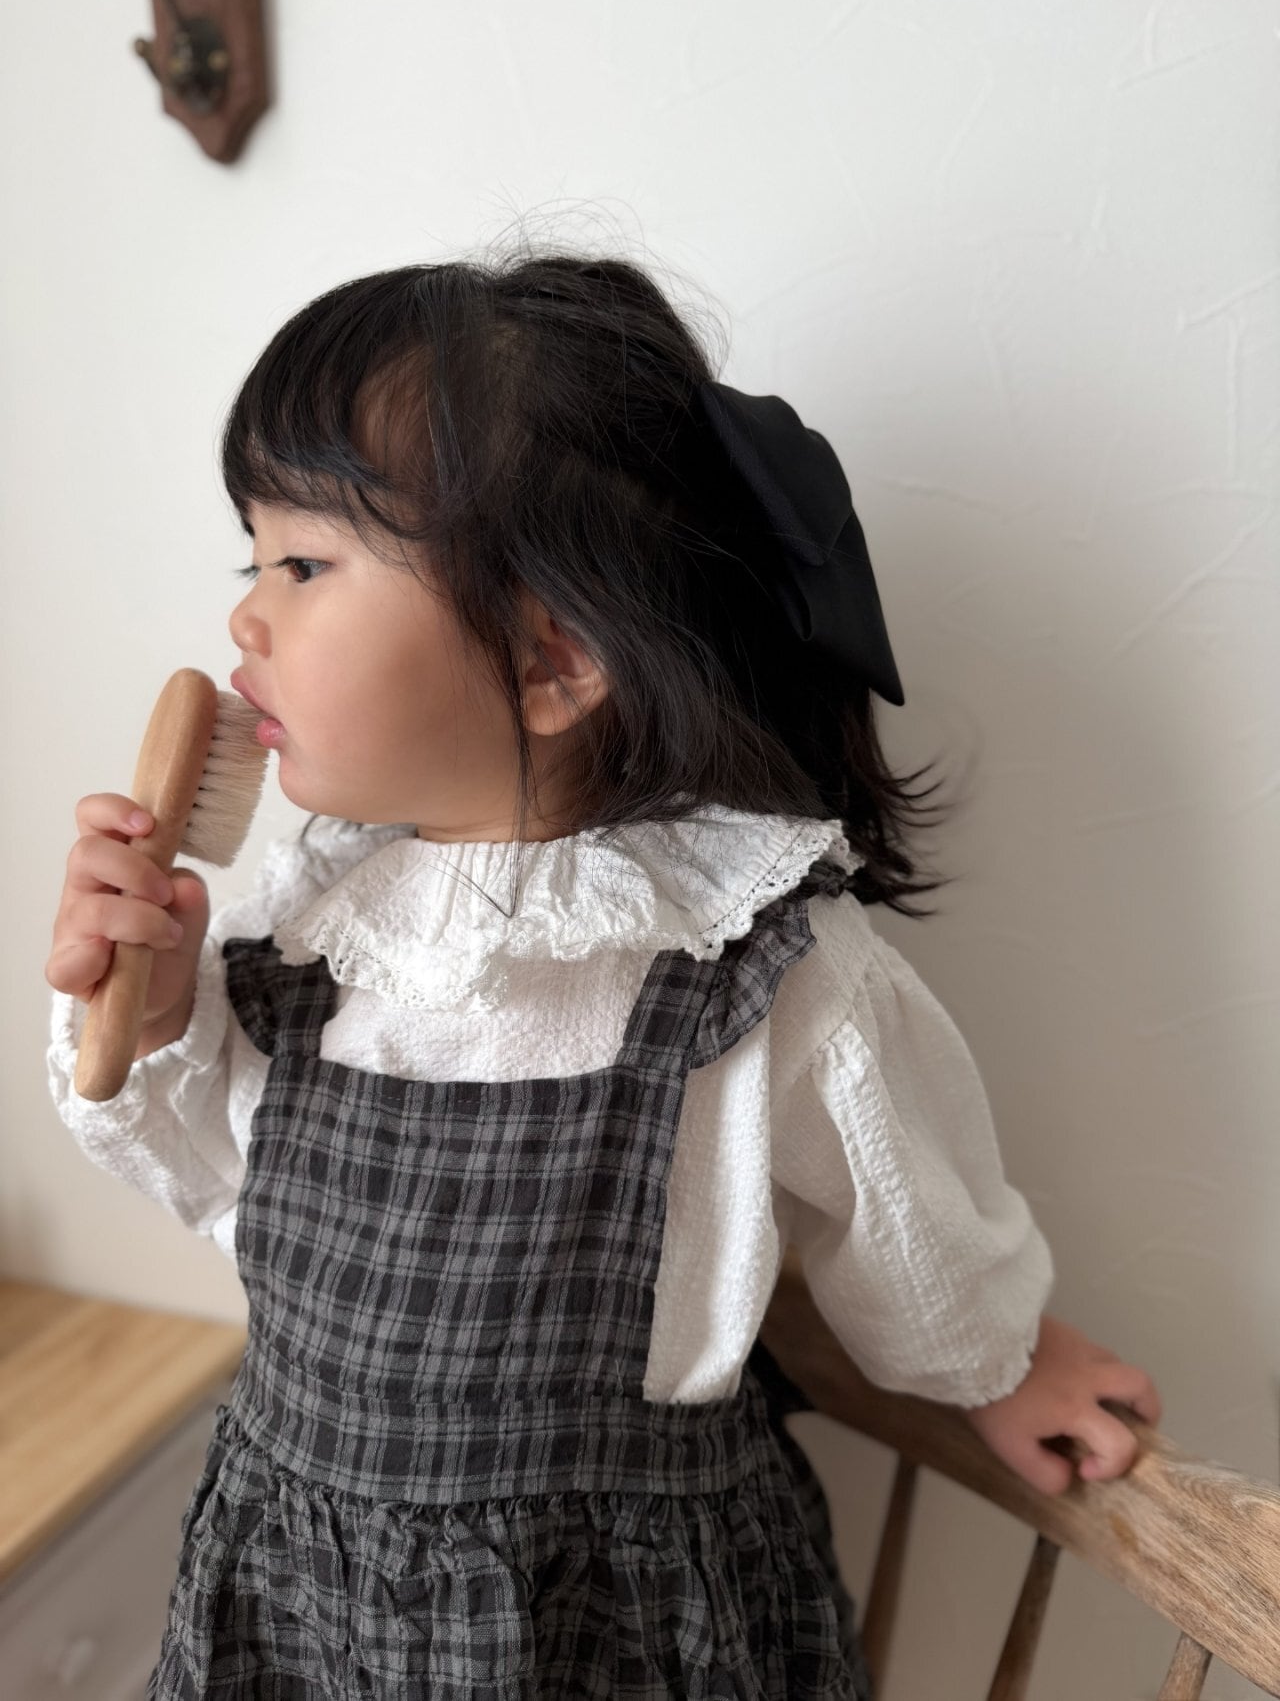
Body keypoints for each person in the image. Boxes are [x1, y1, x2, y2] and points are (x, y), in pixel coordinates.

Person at [45, 247, 1161, 1700]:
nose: (247, 618)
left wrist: (998, 1362)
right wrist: (150, 1009)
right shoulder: (312, 926)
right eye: (249, 559)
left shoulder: (745, 962)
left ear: (549, 661)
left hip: (610, 1629)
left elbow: (902, 1204)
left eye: (305, 565)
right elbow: (217, 1183)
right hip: (299, 1594)